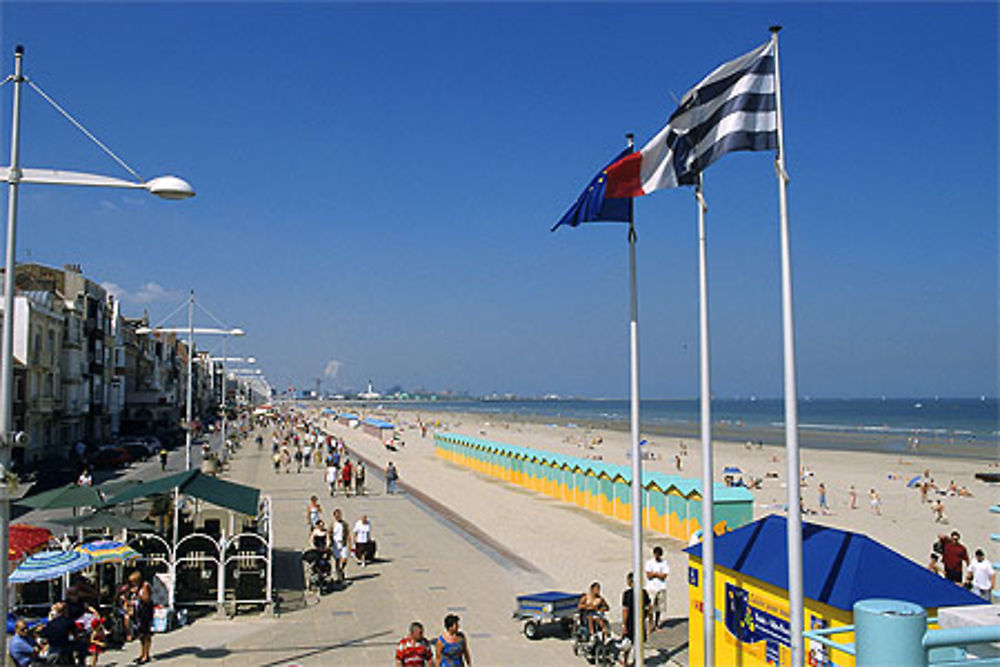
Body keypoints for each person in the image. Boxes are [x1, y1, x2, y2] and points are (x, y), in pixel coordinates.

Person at [620, 572, 651, 667]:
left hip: (630, 622)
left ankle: (625, 661)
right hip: (641, 621)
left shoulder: (627, 594)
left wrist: (624, 624)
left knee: (628, 644)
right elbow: (649, 607)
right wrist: (650, 620)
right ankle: (635, 661)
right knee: (639, 643)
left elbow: (625, 610)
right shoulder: (644, 592)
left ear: (630, 582)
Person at [128, 570, 154, 664]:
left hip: (145, 612)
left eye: (133, 581)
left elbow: (147, 599)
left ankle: (146, 655)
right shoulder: (136, 587)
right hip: (138, 612)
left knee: (146, 633)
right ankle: (142, 653)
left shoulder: (145, 586)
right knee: (141, 634)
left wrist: (138, 593)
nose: (132, 583)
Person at [644, 546, 669, 631]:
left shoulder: (664, 563)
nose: (657, 556)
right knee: (650, 606)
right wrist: (658, 574)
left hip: (661, 587)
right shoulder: (649, 563)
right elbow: (648, 575)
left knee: (659, 608)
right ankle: (651, 623)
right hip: (651, 588)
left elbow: (664, 576)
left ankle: (657, 623)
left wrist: (654, 574)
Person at [331, 508, 351, 581]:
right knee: (337, 560)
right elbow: (330, 534)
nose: (338, 516)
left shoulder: (344, 524)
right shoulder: (332, 524)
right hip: (336, 544)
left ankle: (341, 569)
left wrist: (349, 544)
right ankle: (338, 574)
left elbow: (348, 533)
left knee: (344, 559)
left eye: (339, 515)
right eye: (337, 515)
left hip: (343, 543)